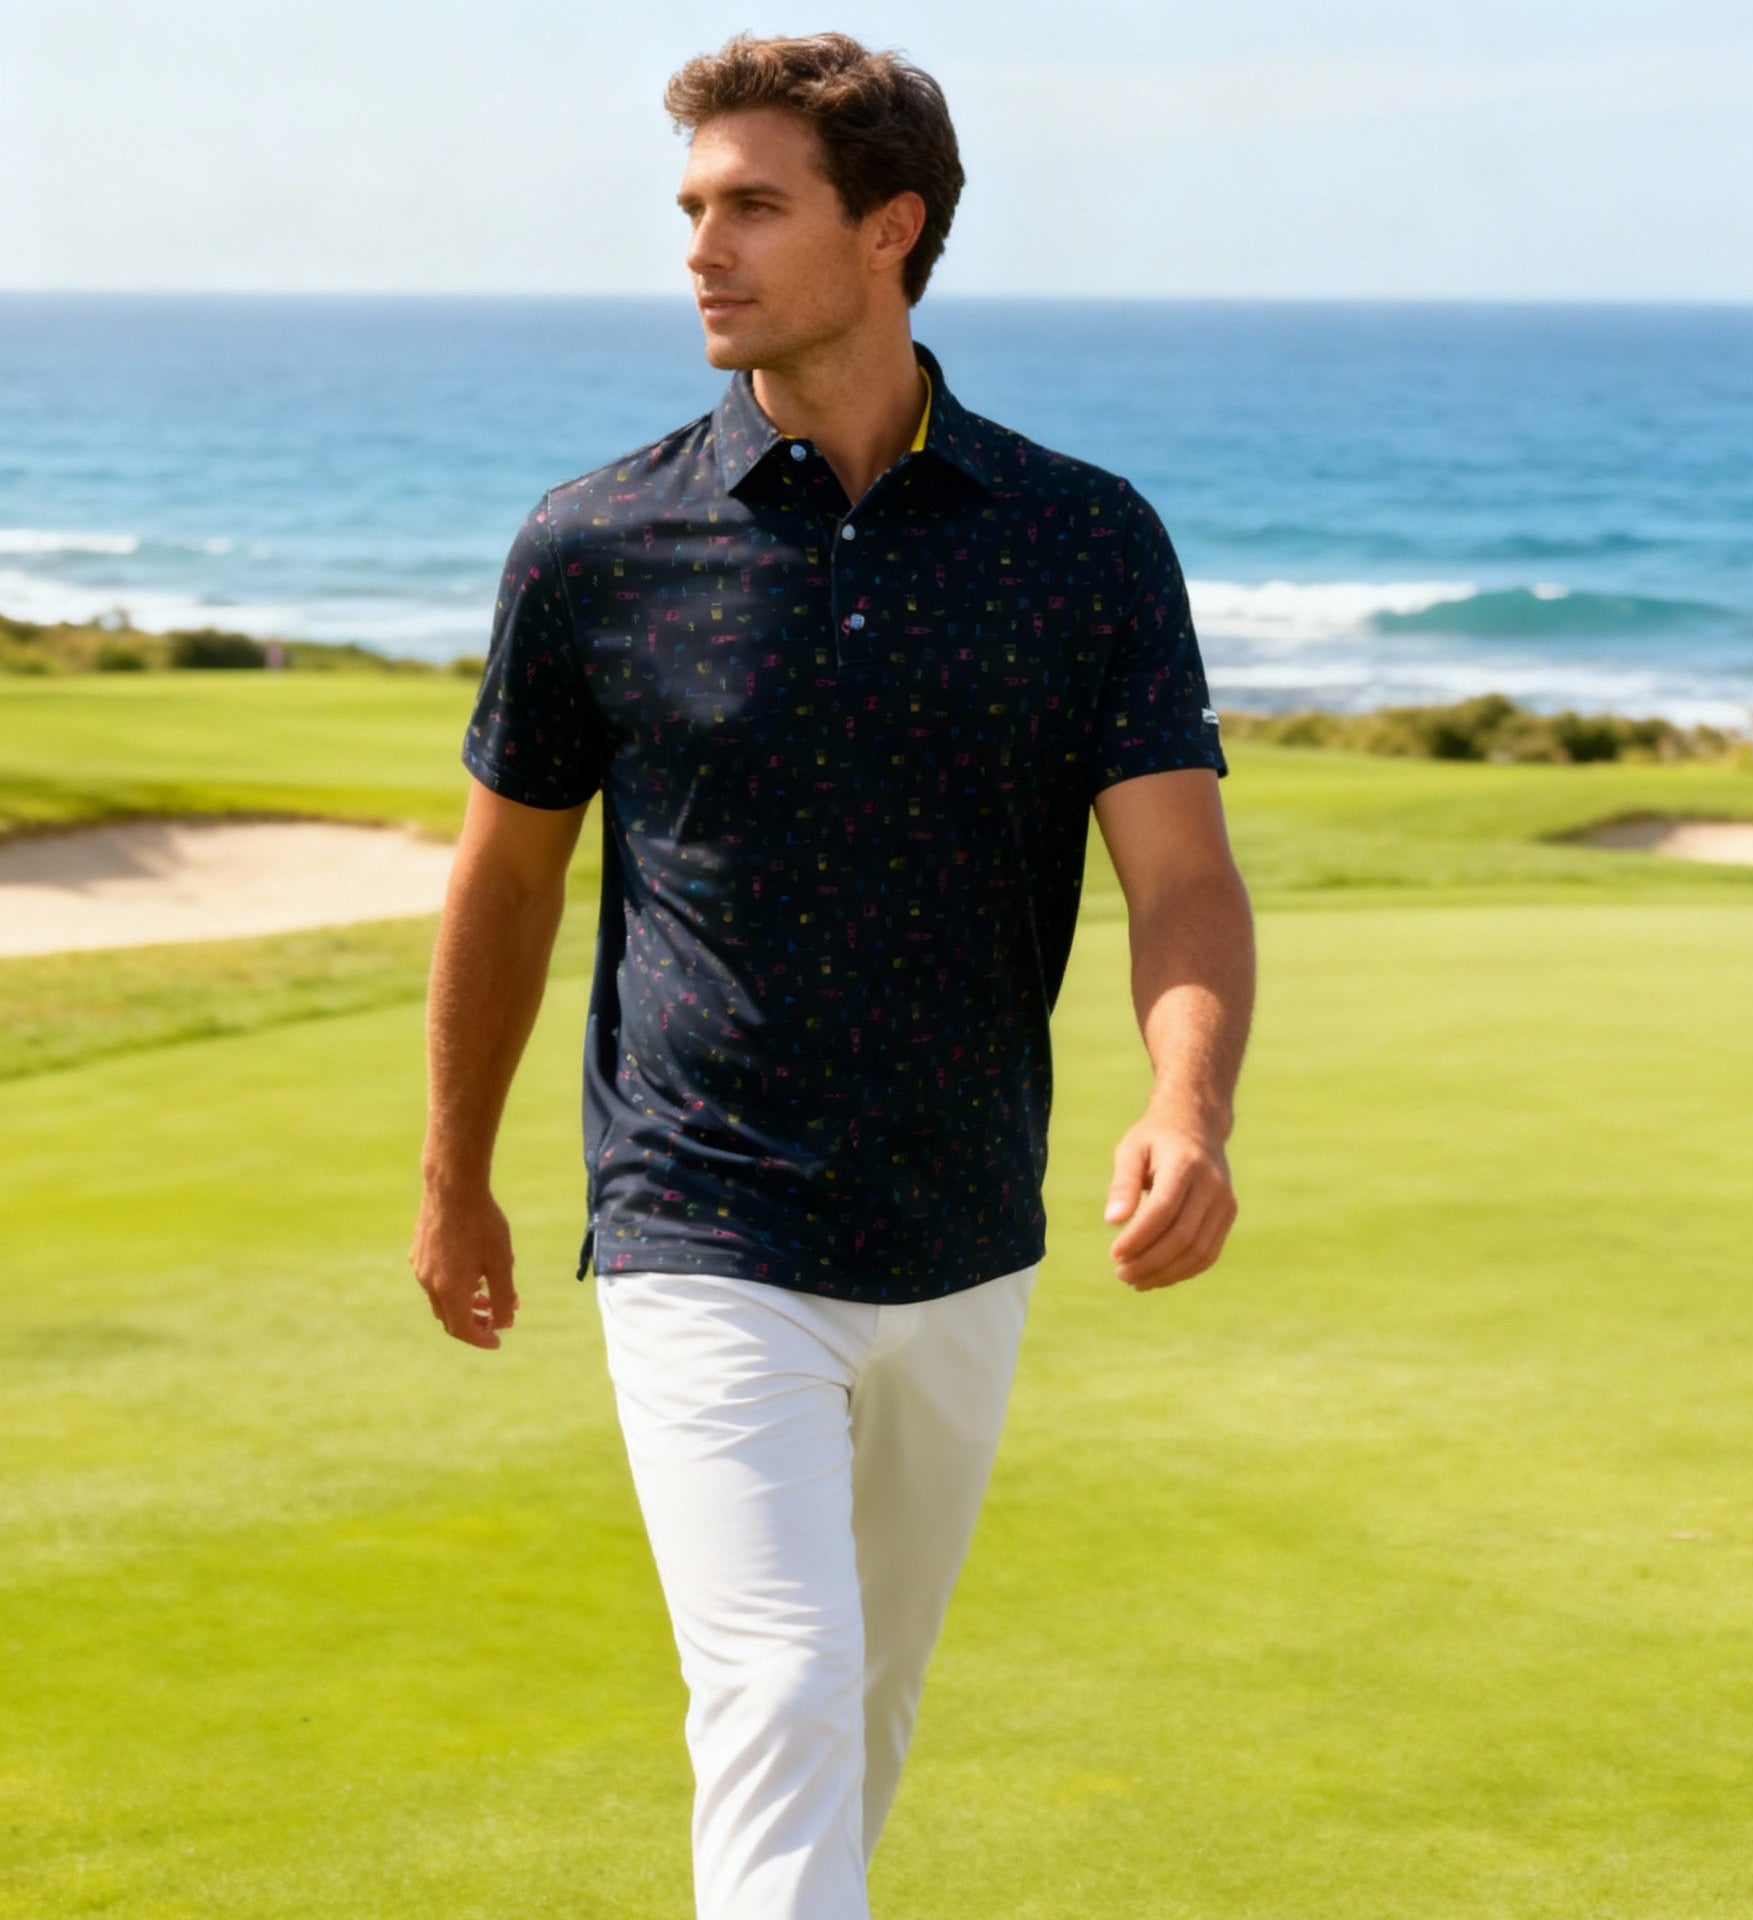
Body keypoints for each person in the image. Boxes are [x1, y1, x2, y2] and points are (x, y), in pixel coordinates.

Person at [410, 30, 1255, 1919]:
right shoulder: (595, 542)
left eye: (752, 207)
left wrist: (1185, 1105)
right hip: (698, 1213)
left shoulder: (1083, 541)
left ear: (894, 227)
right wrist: (455, 1172)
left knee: (857, 1712)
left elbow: (1182, 873)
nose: (701, 250)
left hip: (966, 1226)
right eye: (692, 210)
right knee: (781, 1695)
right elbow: (508, 886)